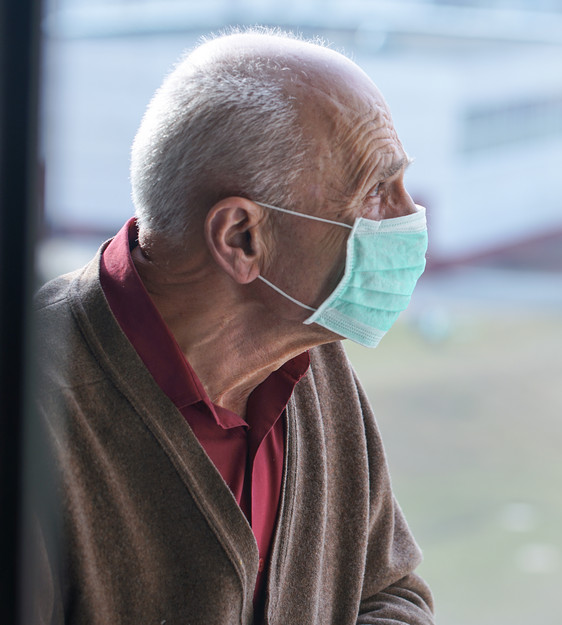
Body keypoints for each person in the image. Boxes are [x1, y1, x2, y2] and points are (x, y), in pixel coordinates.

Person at [30, 29, 435, 624]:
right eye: (376, 191)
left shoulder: (312, 358)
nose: (410, 214)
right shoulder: (38, 410)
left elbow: (390, 593)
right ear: (241, 238)